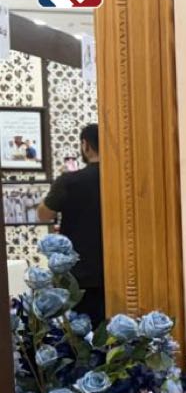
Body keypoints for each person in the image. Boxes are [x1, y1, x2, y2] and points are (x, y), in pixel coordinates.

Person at [39, 123, 105, 324]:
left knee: (81, 330)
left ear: (85, 145)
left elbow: (44, 214)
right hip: (117, 270)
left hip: (79, 272)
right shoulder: (121, 180)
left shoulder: (69, 181)